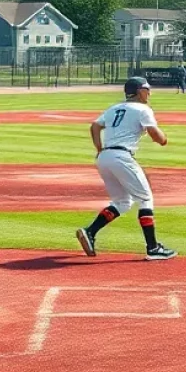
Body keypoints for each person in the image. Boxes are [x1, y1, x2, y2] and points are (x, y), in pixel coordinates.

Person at [76, 75, 176, 261]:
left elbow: (95, 126)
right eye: (147, 89)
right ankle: (153, 248)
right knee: (145, 198)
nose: (149, 93)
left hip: (105, 157)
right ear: (139, 91)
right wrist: (164, 139)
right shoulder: (143, 109)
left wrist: (99, 149)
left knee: (122, 202)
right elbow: (156, 136)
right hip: (122, 156)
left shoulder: (114, 108)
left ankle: (90, 232)